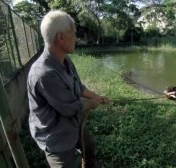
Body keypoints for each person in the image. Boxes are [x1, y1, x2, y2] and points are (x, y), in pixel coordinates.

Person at [27, 10, 109, 168]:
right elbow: (71, 109)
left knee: (89, 147)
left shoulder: (65, 59)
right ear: (61, 37)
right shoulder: (45, 74)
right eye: (74, 34)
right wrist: (92, 103)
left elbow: (78, 87)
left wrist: (97, 96)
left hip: (73, 125)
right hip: (55, 137)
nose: (76, 39)